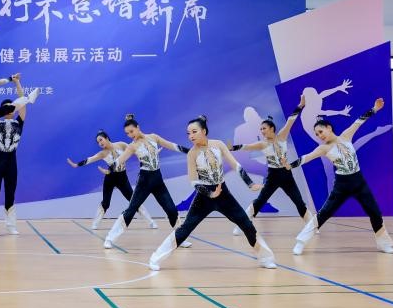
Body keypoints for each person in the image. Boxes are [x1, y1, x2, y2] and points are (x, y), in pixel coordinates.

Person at [147, 115, 277, 271]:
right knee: (185, 229)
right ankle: (155, 258)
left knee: (246, 224)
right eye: (188, 133)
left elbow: (236, 165)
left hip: (224, 194)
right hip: (204, 196)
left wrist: (250, 183)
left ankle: (266, 258)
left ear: (204, 131)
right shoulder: (192, 153)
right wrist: (210, 194)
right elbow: (194, 181)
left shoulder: (218, 145)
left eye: (194, 132)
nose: (191, 136)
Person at [291, 98, 393, 255]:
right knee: (324, 213)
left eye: (321, 132)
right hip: (342, 185)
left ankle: (384, 243)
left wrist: (374, 109)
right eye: (317, 134)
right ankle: (301, 242)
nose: (319, 136)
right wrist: (290, 165)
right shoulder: (323, 148)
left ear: (329, 128)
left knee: (374, 212)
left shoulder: (346, 136)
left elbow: (360, 121)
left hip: (359, 182)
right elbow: (306, 158)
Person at [103, 114, 188, 249]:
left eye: (131, 131)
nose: (130, 135)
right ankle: (109, 238)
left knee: (171, 210)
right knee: (131, 210)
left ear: (138, 127)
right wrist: (109, 169)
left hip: (158, 180)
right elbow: (120, 160)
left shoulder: (154, 137)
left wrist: (189, 151)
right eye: (127, 133)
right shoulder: (132, 146)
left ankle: (180, 238)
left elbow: (171, 145)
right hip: (144, 181)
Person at [230, 95, 313, 232]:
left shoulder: (282, 136)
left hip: (286, 175)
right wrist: (231, 148)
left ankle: (312, 226)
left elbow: (291, 120)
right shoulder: (262, 144)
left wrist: (300, 106)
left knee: (298, 201)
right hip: (273, 176)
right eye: (261, 129)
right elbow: (246, 146)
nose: (262, 131)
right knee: (260, 201)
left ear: (272, 128)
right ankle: (242, 225)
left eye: (264, 128)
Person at [67, 130, 157, 230]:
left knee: (133, 200)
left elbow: (134, 150)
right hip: (110, 178)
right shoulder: (102, 153)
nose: (100, 143)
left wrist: (148, 155)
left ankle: (151, 222)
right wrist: (76, 165)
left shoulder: (121, 145)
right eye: (98, 142)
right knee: (106, 203)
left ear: (106, 138)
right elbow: (90, 159)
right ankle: (95, 224)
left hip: (122, 178)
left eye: (101, 140)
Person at [0, 76, 34, 236]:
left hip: (11, 164)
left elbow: (22, 101)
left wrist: (17, 82)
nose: (8, 110)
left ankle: (11, 225)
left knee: (10, 194)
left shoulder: (19, 122)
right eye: (5, 108)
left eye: (10, 108)